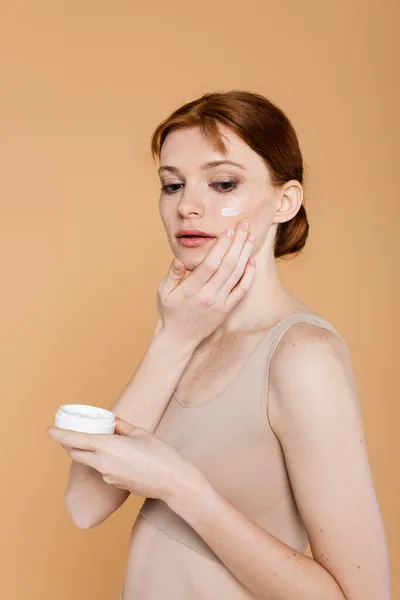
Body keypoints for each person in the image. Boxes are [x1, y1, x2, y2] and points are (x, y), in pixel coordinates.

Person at [48, 90, 391, 600]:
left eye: (223, 182)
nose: (187, 205)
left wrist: (180, 487)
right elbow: (85, 506)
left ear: (285, 201)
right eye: (172, 185)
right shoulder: (188, 332)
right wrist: (172, 337)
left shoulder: (301, 356)